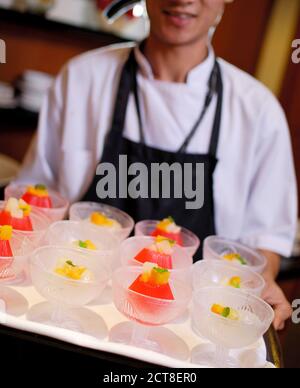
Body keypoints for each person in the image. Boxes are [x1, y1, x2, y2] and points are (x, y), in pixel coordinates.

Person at [17, 0, 297, 330]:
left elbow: (266, 243)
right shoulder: (82, 78)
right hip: (76, 306)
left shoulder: (258, 111)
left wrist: (263, 281)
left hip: (195, 326)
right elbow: (35, 204)